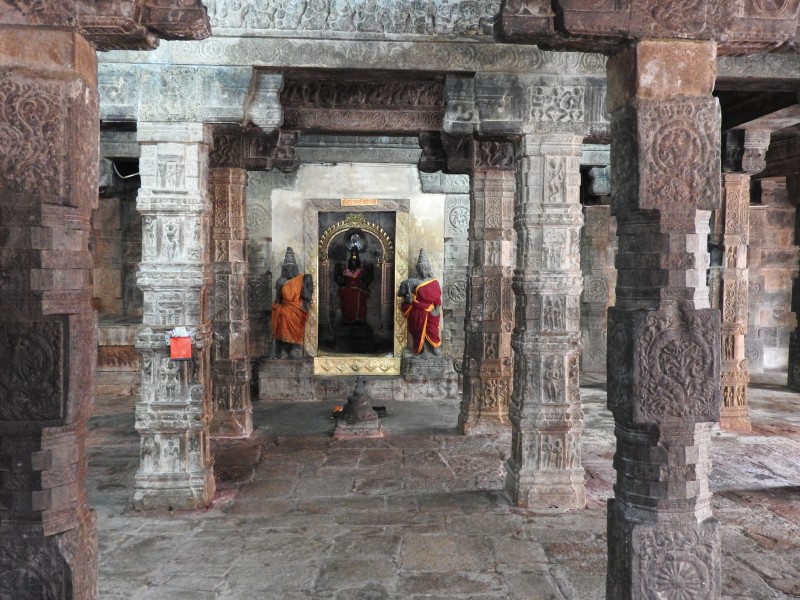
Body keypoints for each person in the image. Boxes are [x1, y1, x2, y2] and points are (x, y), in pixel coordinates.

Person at [399, 248, 442, 356]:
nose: (423, 271)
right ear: (417, 269)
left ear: (429, 268)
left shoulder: (434, 282)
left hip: (430, 311)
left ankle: (434, 348)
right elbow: (401, 293)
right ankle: (422, 350)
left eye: (426, 268)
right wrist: (408, 298)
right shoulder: (411, 282)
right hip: (417, 311)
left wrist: (436, 311)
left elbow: (437, 300)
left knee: (432, 331)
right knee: (418, 331)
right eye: (421, 269)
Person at [271, 247, 313, 358]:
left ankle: (296, 347)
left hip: (298, 308)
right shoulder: (281, 282)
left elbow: (307, 297)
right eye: (286, 269)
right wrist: (279, 288)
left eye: (291, 268)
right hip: (285, 307)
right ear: (283, 270)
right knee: (281, 313)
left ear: (295, 269)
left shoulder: (302, 279)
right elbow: (278, 300)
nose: (289, 271)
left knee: (287, 313)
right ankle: (284, 348)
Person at [334, 248, 374, 324]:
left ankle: (359, 319)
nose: (354, 262)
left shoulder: (361, 267)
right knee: (346, 300)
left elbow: (366, 278)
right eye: (353, 254)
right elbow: (342, 278)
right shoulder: (346, 267)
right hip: (348, 289)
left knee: (360, 298)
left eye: (355, 254)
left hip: (359, 289)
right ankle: (347, 318)